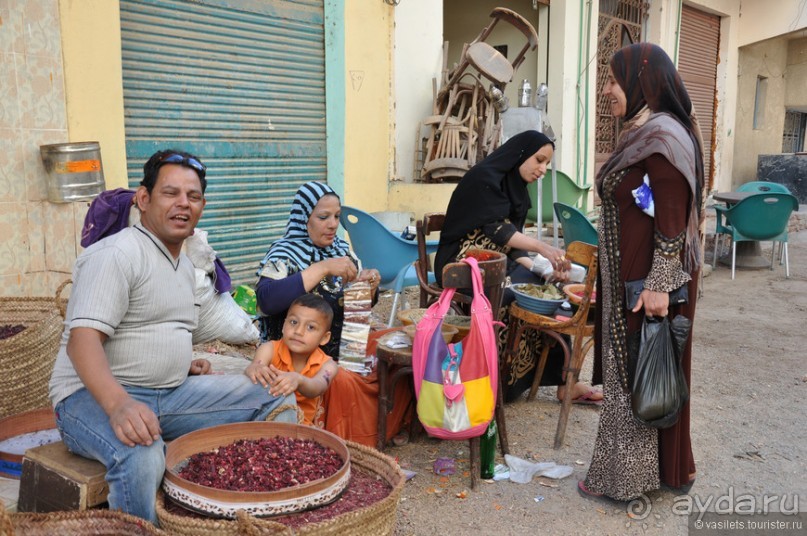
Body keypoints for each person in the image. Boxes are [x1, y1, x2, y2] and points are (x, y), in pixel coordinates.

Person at [48, 150, 298, 525]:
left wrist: (182, 362)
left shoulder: (184, 264)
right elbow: (82, 340)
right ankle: (141, 529)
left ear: (202, 206)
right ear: (144, 199)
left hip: (167, 394)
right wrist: (119, 405)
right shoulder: (117, 254)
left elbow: (154, 326)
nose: (183, 203)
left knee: (273, 395)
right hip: (89, 398)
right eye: (170, 193)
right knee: (142, 452)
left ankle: (252, 513)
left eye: (193, 196)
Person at [579, 42, 705, 501]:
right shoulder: (645, 133)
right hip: (631, 275)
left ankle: (629, 480)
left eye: (614, 81)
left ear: (641, 83)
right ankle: (651, 472)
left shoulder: (663, 137)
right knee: (639, 369)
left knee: (642, 368)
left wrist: (658, 286)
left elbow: (672, 219)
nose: (608, 91)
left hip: (647, 282)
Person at [435, 130, 603, 404]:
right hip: (462, 264)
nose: (543, 169)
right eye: (539, 160)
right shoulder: (483, 180)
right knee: (511, 294)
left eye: (547, 164)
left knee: (547, 293)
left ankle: (565, 383)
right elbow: (497, 230)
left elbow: (512, 248)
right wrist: (544, 248)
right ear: (521, 154)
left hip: (497, 264)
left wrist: (543, 269)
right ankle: (493, 382)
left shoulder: (517, 191)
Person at [255, 181, 411, 447]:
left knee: (405, 344)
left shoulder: (341, 250)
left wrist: (367, 287)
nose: (332, 224)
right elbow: (268, 301)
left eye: (337, 217)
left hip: (346, 348)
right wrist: (323, 268)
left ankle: (396, 422)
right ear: (304, 218)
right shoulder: (285, 254)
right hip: (304, 360)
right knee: (342, 381)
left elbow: (356, 307)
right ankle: (362, 437)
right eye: (323, 217)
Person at [245, 293, 340, 426]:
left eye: (310, 327)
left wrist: (299, 380)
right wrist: (255, 368)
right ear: (284, 326)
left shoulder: (328, 365)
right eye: (293, 322)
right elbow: (256, 365)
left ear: (324, 338)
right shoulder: (269, 349)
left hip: (300, 427)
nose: (298, 331)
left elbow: (318, 387)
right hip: (264, 419)